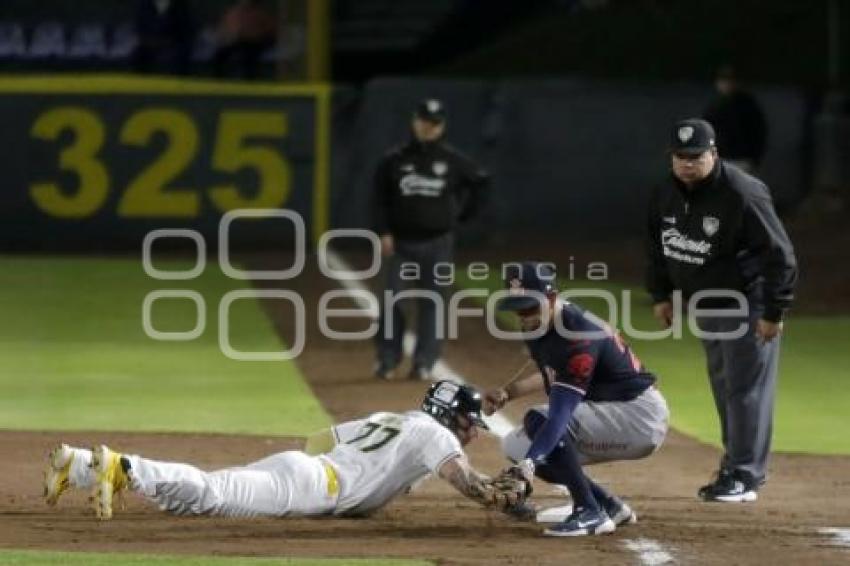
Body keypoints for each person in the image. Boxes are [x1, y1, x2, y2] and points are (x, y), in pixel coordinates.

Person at [43, 381, 523, 521]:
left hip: (307, 470)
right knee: (208, 495)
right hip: (312, 484)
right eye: (469, 423)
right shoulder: (435, 437)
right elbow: (473, 488)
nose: (473, 432)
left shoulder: (391, 419)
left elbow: (320, 440)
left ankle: (81, 466)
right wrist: (505, 493)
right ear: (450, 418)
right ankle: (118, 464)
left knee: (196, 498)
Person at [646, 118, 797, 503]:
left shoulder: (742, 192)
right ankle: (734, 467)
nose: (688, 163)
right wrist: (661, 293)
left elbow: (780, 256)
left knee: (745, 391)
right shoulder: (666, 191)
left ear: (714, 154)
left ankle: (744, 475)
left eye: (696, 156)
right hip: (706, 305)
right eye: (681, 156)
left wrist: (773, 311)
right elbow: (657, 244)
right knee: (726, 387)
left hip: (746, 302)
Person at [483, 262, 669, 537]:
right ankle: (607, 505)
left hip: (638, 416)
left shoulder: (578, 335)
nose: (524, 316)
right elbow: (556, 372)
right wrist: (510, 392)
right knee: (517, 444)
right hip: (612, 408)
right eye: (518, 308)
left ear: (551, 298)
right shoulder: (545, 323)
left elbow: (561, 414)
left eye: (529, 308)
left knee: (540, 424)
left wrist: (527, 467)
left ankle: (588, 510)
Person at [373, 99, 490, 381]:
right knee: (393, 302)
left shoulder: (452, 160)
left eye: (434, 123)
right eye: (424, 121)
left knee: (433, 303)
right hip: (401, 243)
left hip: (438, 242)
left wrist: (462, 216)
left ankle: (424, 361)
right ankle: (387, 360)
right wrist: (383, 231)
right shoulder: (394, 159)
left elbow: (481, 182)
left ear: (442, 127)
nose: (428, 127)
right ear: (414, 122)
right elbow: (379, 199)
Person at [702, 66, 768, 174]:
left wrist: (754, 158)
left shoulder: (748, 106)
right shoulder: (714, 107)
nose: (726, 84)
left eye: (730, 80)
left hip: (741, 159)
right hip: (719, 159)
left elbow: (759, 132)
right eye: (723, 80)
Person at [213, 0, 277, 79]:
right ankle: (219, 77)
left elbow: (270, 30)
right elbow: (227, 28)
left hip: (255, 42)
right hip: (239, 42)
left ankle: (250, 78)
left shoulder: (260, 14)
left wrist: (260, 37)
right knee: (221, 54)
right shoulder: (235, 13)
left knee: (249, 57)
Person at [133, 0, 196, 76]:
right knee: (138, 54)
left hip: (173, 45)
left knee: (177, 56)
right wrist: (149, 41)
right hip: (149, 44)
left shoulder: (181, 6)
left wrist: (167, 42)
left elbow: (184, 31)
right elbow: (140, 27)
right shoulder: (145, 5)